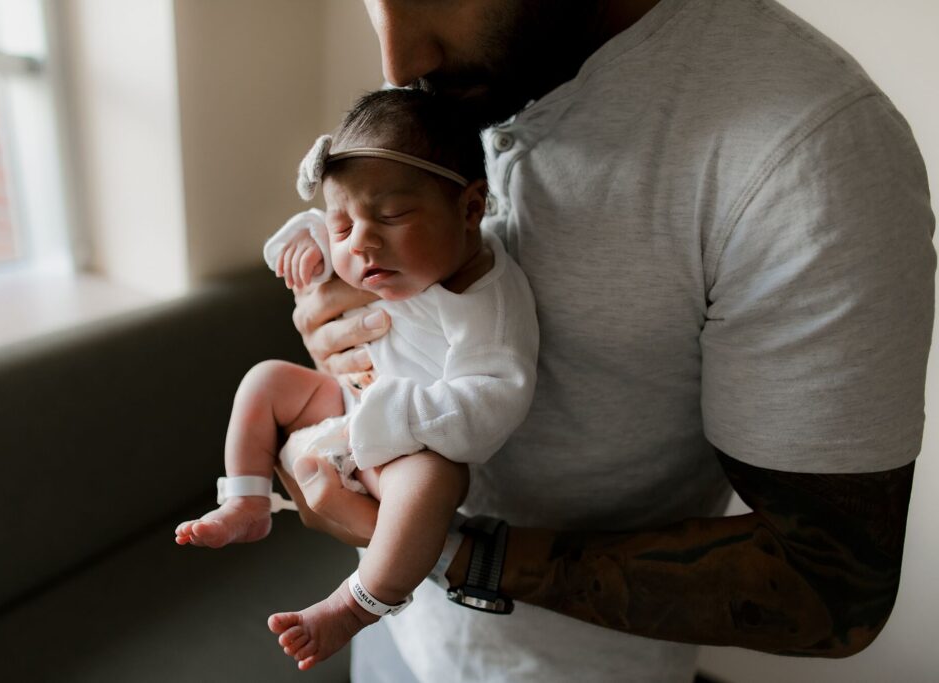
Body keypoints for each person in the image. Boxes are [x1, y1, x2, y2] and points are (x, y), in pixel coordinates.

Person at [275, 0, 937, 681]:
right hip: (392, 641)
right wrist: (349, 338)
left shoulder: (810, 152)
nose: (398, 66)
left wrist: (433, 549)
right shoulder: (448, 82)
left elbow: (831, 586)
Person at [175, 88, 539, 671]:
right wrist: (300, 242)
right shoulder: (363, 238)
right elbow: (317, 225)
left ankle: (358, 602)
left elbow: (490, 406)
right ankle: (246, 501)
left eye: (392, 218)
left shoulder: (484, 301)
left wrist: (387, 418)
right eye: (345, 224)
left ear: (471, 210)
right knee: (266, 380)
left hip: (406, 442)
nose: (362, 243)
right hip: (345, 400)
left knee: (435, 482)